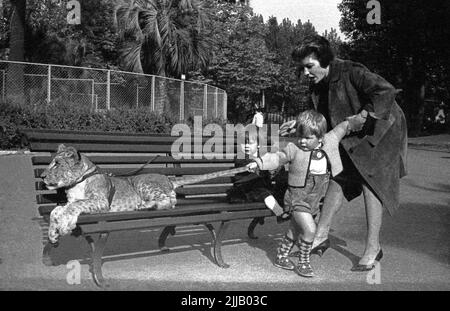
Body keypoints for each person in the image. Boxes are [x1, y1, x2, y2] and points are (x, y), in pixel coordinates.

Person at [281, 35, 408, 271]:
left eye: (310, 66)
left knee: (371, 182)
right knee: (339, 177)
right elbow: (327, 116)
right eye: (303, 68)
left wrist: (353, 123)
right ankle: (320, 234)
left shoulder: (352, 71)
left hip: (383, 128)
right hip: (354, 130)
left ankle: (373, 248)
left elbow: (386, 92)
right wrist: (298, 124)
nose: (306, 72)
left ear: (325, 59)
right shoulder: (320, 83)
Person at [248, 110, 352, 277]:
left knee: (294, 230)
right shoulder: (293, 149)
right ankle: (304, 262)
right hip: (296, 198)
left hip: (313, 201)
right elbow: (277, 158)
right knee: (310, 230)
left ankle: (281, 257)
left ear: (320, 137)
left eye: (308, 137)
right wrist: (259, 163)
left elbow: (340, 138)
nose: (302, 141)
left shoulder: (326, 150)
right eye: (300, 136)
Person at [226, 124, 289, 222]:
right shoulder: (241, 157)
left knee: (281, 186)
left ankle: (289, 209)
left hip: (260, 187)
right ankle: (279, 213)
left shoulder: (262, 156)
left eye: (250, 143)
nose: (246, 146)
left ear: (258, 145)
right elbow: (248, 170)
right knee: (265, 194)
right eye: (243, 143)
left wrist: (273, 170)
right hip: (246, 189)